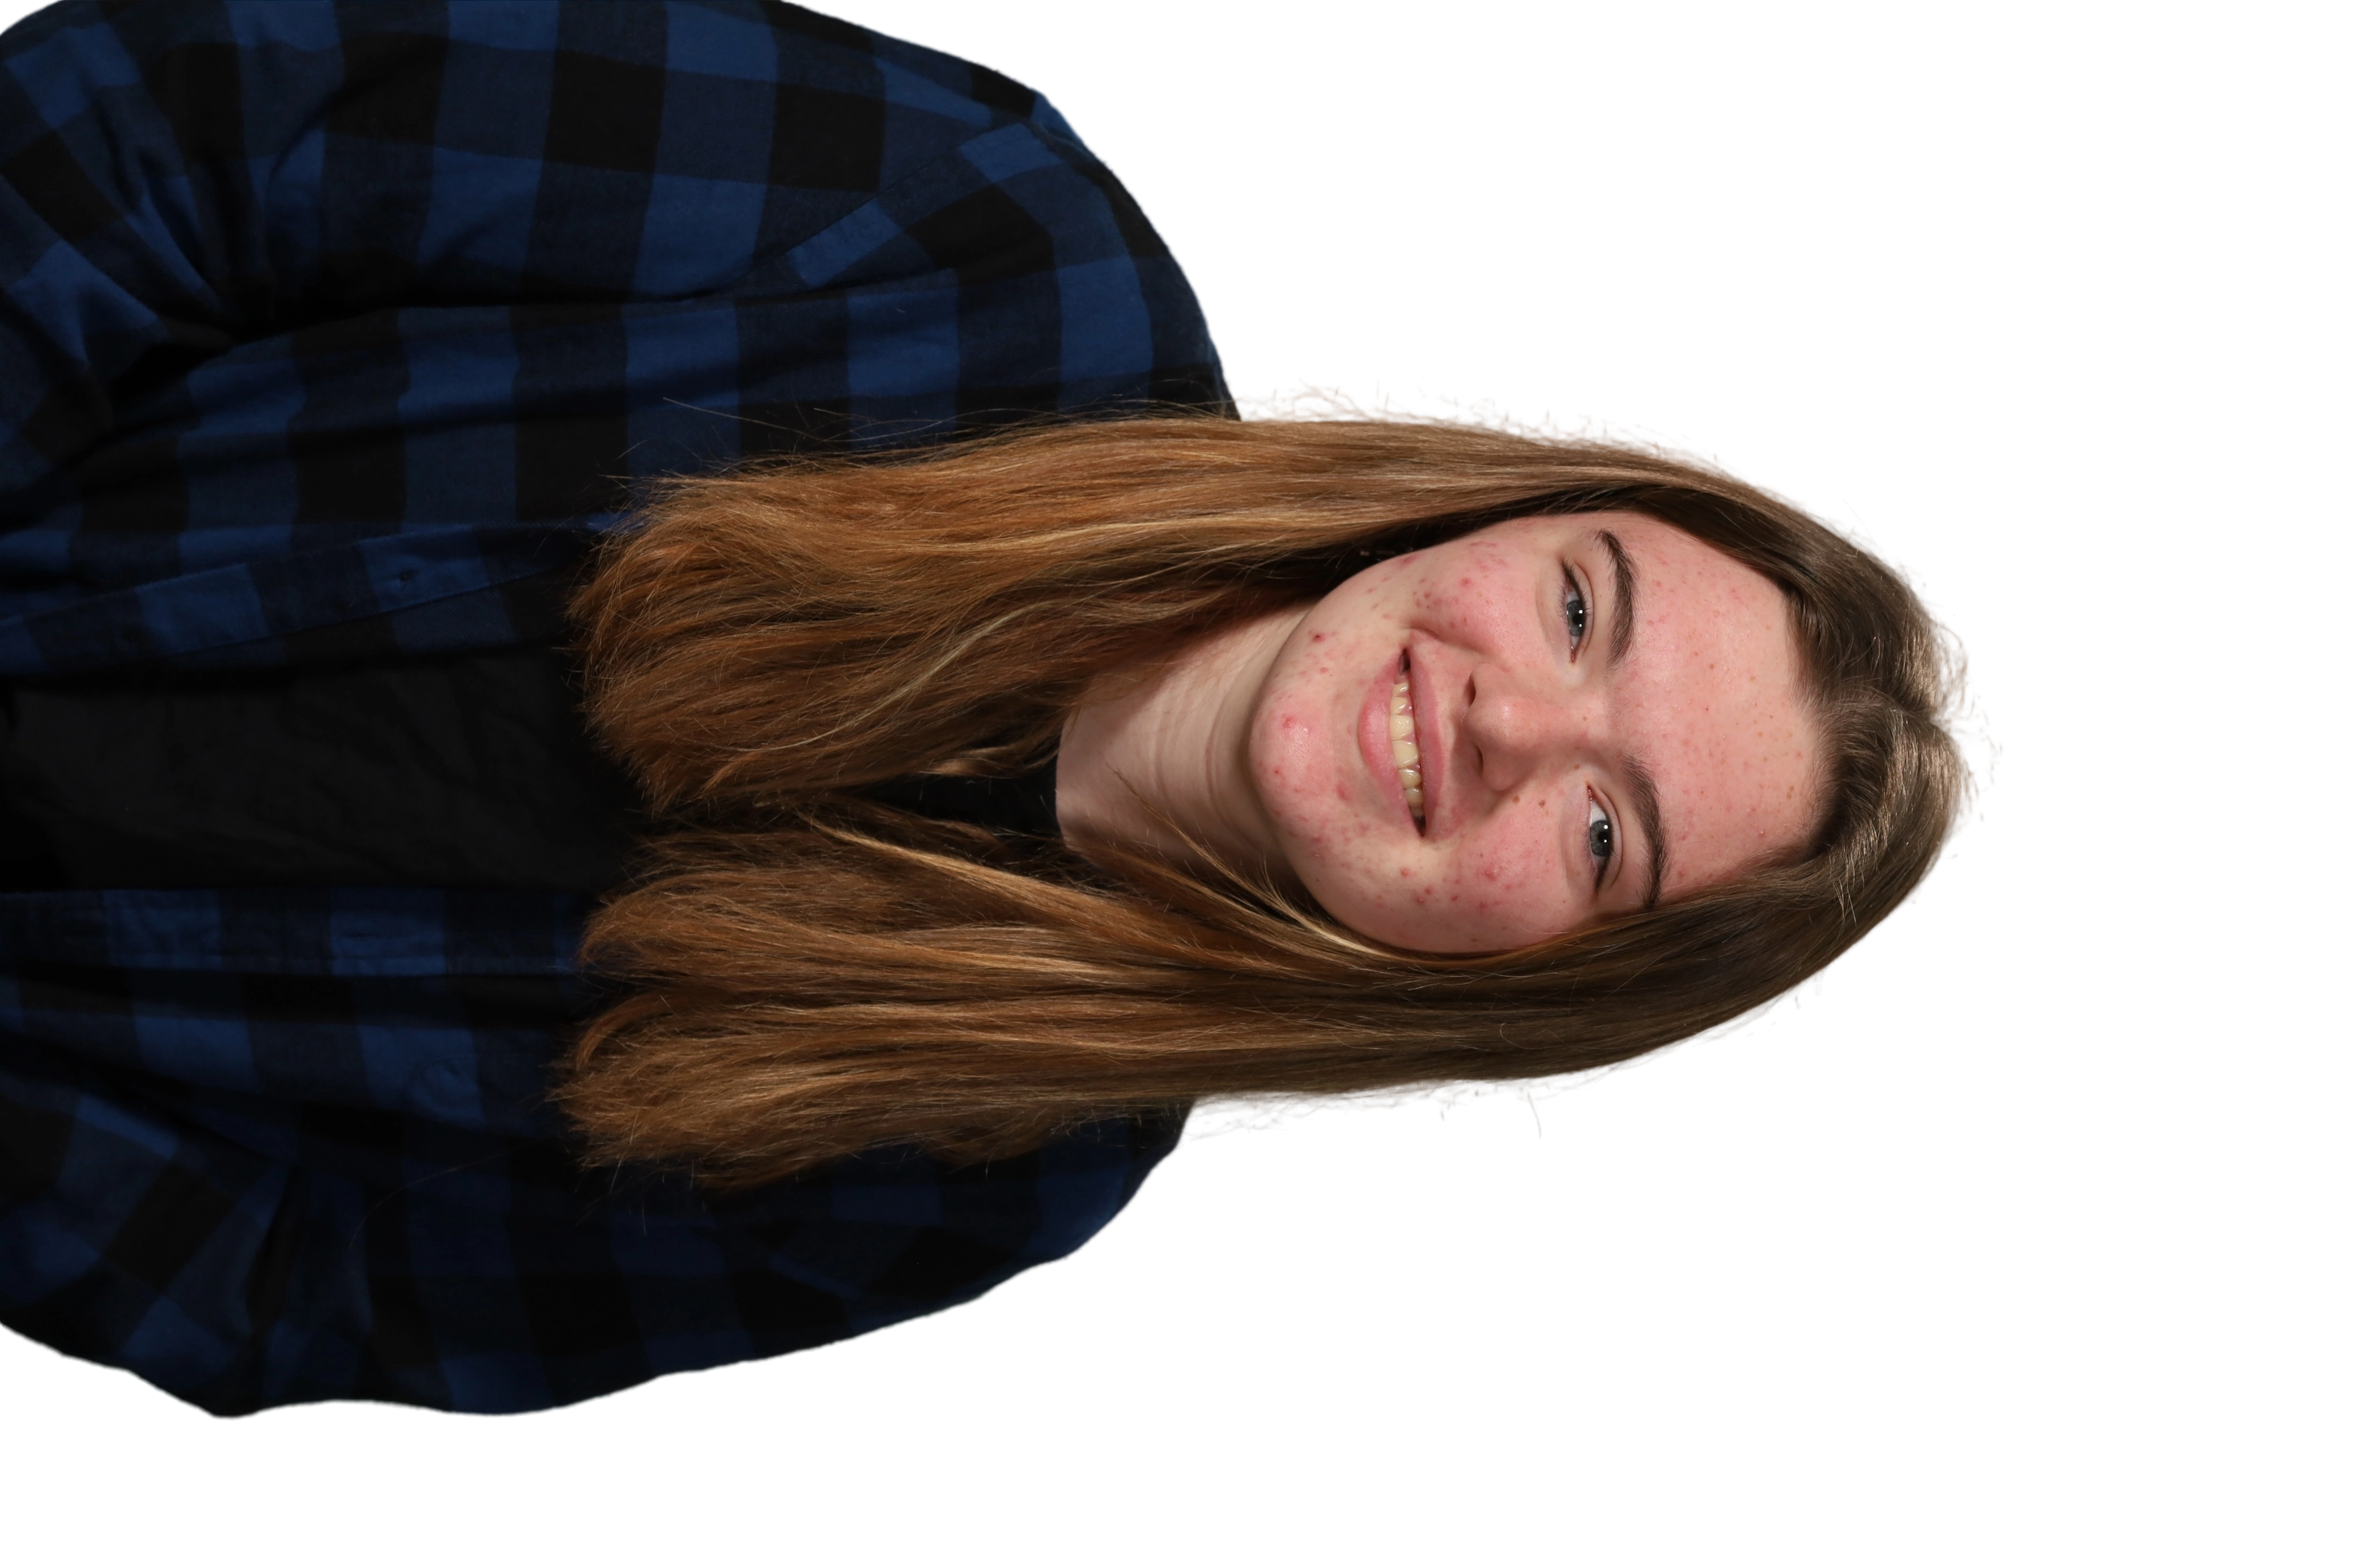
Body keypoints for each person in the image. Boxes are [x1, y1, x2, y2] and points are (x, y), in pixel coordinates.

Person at [0, 0, 1998, 1419]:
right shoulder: (971, 238)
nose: (1508, 726)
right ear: (1487, 505)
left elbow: (300, 1280)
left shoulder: (984, 1165)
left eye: (1604, 832)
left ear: (1544, 981)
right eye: (1578, 607)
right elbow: (162, 138)